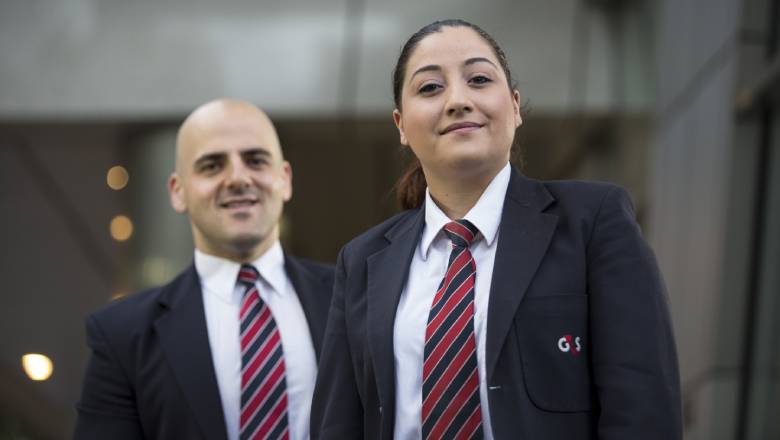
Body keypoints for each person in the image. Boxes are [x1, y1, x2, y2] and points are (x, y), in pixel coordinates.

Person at [310, 19, 681, 440]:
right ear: (400, 125)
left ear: (516, 106)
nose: (458, 100)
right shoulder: (362, 261)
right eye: (430, 88)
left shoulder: (592, 222)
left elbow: (643, 406)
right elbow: (337, 425)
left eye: (479, 79)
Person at [75, 99, 334, 440]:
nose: (238, 178)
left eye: (256, 160)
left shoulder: (352, 298)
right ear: (178, 192)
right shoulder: (122, 335)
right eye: (212, 166)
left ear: (284, 179)